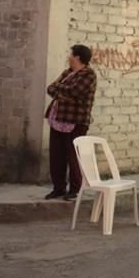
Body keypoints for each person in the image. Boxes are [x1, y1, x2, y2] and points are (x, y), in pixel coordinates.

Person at [44, 45, 98, 201]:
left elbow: (75, 92)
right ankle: (58, 187)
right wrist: (64, 93)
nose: (69, 57)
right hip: (58, 119)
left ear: (78, 57)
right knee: (56, 155)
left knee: (73, 156)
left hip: (76, 121)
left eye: (71, 54)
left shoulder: (89, 75)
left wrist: (62, 92)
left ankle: (74, 189)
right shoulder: (68, 72)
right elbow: (50, 88)